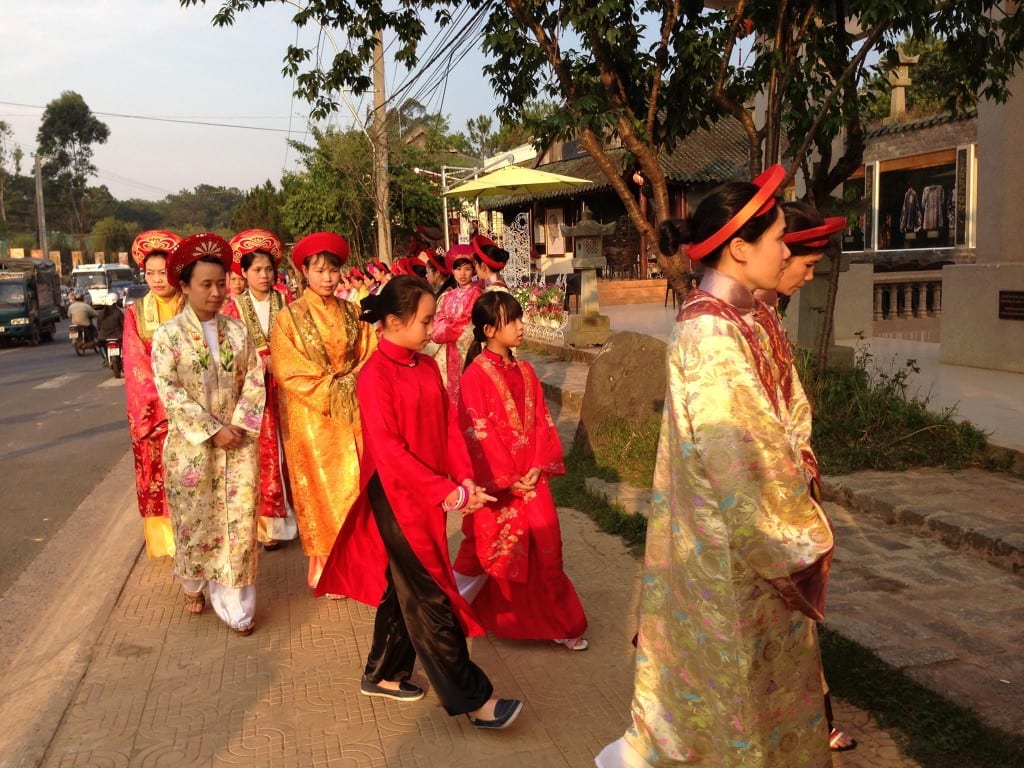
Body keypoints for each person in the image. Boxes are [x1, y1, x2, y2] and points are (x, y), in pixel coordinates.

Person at [596, 166, 835, 768]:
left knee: (751, 677)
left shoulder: (744, 316)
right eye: (779, 238)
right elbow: (741, 455)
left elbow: (784, 412)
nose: (786, 251)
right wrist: (795, 527)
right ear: (738, 247)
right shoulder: (709, 331)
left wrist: (798, 456)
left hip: (732, 533)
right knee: (733, 685)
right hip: (731, 541)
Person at [316, 275, 524, 730]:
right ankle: (476, 700)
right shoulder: (374, 376)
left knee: (405, 585)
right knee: (431, 595)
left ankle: (385, 672)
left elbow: (448, 428)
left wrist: (463, 480)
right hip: (396, 495)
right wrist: (447, 492)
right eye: (426, 320)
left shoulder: (426, 366)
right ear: (393, 322)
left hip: (427, 491)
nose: (434, 328)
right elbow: (388, 453)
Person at [453, 291, 589, 650]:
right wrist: (508, 477)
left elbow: (543, 422)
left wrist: (537, 466)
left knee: (547, 546)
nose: (519, 325)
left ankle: (560, 622)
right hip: (498, 485)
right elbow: (476, 430)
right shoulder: (475, 376)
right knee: (483, 550)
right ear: (488, 330)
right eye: (510, 320)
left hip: (532, 476)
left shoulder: (527, 370)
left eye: (518, 318)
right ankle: (446, 614)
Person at [770, 202, 857, 754]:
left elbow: (790, 404)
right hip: (760, 504)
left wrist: (800, 455)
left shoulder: (762, 320)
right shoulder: (726, 326)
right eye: (802, 261)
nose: (805, 274)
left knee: (794, 627)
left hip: (783, 486)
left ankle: (812, 716)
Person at [150, 233, 266, 636]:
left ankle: (236, 606)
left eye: (221, 283)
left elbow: (254, 378)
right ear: (184, 286)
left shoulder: (237, 332)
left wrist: (239, 425)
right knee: (197, 521)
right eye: (206, 284)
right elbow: (170, 390)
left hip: (239, 445)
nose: (217, 292)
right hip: (192, 451)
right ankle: (194, 582)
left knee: (239, 524)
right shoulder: (168, 336)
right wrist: (213, 430)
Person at [270, 232, 377, 591]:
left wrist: (354, 382)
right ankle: (328, 570)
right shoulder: (289, 318)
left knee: (359, 487)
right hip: (312, 417)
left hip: (353, 413)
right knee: (323, 490)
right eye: (319, 270)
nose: (327, 278)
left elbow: (369, 352)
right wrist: (332, 388)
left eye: (333, 270)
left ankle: (362, 564)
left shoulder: (353, 311)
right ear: (304, 273)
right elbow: (288, 369)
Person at [222, 229, 299, 553]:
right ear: (244, 272)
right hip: (252, 396)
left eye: (268, 269)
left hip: (288, 388)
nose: (264, 275)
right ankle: (268, 526)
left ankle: (298, 516)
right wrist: (257, 366)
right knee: (261, 457)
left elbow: (300, 338)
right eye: (256, 270)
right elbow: (228, 354)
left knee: (292, 453)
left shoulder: (286, 299)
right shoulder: (233, 308)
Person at [123, 230, 184, 558]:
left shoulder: (191, 304)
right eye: (151, 273)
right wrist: (165, 402)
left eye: (164, 272)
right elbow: (135, 366)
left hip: (192, 406)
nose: (158, 279)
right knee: (156, 472)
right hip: (156, 412)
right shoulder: (135, 313)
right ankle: (165, 542)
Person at [429, 244, 482, 407]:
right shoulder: (447, 295)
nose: (462, 274)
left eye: (466, 269)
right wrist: (441, 330)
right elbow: (438, 318)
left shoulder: (477, 293)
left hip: (467, 349)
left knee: (467, 392)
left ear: (473, 270)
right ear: (452, 271)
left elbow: (468, 321)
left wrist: (446, 329)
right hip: (447, 349)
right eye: (458, 269)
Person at [96, 291, 124, 365]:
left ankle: (105, 358)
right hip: (118, 337)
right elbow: (124, 324)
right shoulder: (119, 312)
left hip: (104, 337)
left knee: (100, 345)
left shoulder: (101, 313)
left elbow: (98, 326)